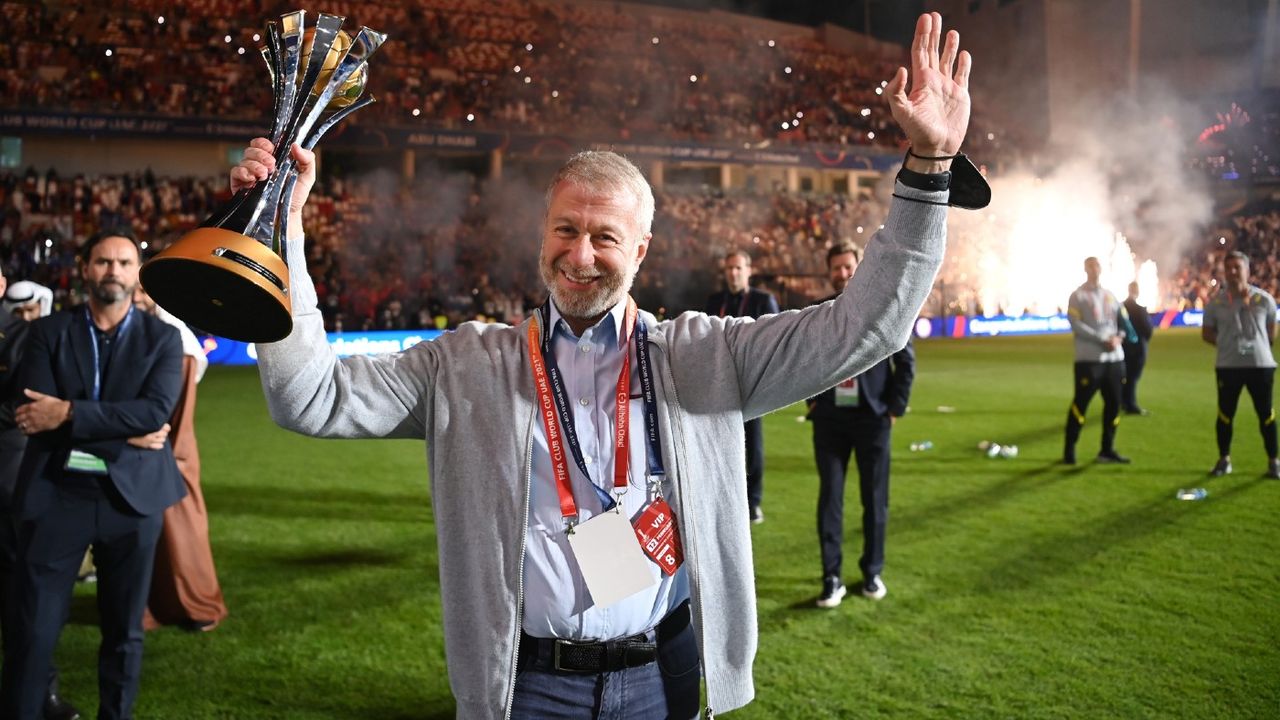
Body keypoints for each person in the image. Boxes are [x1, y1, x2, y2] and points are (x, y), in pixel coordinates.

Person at [230, 12, 974, 717]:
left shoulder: (706, 355)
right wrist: (284, 231)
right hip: (525, 687)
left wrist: (930, 168)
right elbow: (309, 396)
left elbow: (864, 328)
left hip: (664, 676)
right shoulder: (467, 366)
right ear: (541, 234)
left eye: (605, 237)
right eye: (565, 230)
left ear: (641, 250)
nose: (580, 255)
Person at [2, 228, 186, 720]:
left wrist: (70, 414)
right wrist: (120, 428)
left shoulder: (163, 339)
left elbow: (153, 414)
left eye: (124, 263)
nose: (114, 271)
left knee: (124, 632)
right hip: (57, 494)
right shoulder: (48, 332)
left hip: (132, 501)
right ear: (85, 269)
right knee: (33, 630)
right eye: (104, 261)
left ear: (136, 273)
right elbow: (32, 414)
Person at [807, 244, 914, 608]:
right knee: (830, 502)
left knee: (875, 501)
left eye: (848, 266)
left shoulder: (884, 305)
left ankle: (872, 571)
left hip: (872, 420)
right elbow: (804, 358)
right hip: (831, 421)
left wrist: (893, 410)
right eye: (836, 268)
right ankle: (831, 577)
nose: (842, 273)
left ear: (859, 267)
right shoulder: (820, 310)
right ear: (829, 272)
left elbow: (906, 361)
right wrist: (813, 400)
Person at [0, 273, 80, 720]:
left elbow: (30, 403)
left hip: (8, 485)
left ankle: (34, 694)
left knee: (24, 600)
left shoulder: (27, 333)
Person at [133, 287, 229, 632]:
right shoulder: (147, 329)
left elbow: (176, 417)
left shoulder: (177, 342)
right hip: (150, 451)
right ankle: (155, 603)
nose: (136, 294)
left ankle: (194, 603)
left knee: (178, 524)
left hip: (167, 452)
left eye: (143, 289)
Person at [703, 251, 779, 524]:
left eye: (738, 268)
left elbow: (775, 340)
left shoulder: (762, 301)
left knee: (753, 445)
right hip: (721, 384)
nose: (733, 273)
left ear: (749, 270)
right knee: (720, 445)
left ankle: (753, 502)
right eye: (729, 268)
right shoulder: (715, 301)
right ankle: (723, 501)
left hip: (752, 383)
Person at [1201, 251, 1280, 478]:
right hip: (1228, 366)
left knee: (1266, 414)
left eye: (1237, 267)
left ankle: (1273, 461)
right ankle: (1224, 459)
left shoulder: (1264, 299)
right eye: (1229, 268)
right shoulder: (1216, 303)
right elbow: (1206, 334)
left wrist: (1256, 346)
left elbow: (1270, 333)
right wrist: (1227, 345)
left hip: (1260, 365)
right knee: (1225, 414)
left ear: (1247, 270)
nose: (1233, 272)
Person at [1063, 257, 1131, 465]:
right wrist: (1102, 338)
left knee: (1114, 404)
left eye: (1097, 265)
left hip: (1115, 359)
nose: (1094, 269)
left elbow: (1123, 322)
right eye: (1090, 266)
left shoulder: (1111, 295)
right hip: (1090, 360)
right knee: (1080, 404)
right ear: (1085, 269)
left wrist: (1118, 337)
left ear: (1101, 269)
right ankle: (1070, 449)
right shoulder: (1077, 296)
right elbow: (1075, 324)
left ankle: (1107, 450)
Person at [1122, 281, 1153, 415]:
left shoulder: (1120, 307)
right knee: (1133, 377)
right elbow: (1148, 330)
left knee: (1125, 376)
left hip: (1122, 348)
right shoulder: (1140, 310)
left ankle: (1123, 402)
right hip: (1138, 348)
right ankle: (1131, 404)